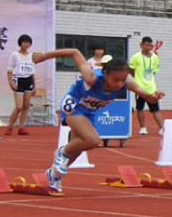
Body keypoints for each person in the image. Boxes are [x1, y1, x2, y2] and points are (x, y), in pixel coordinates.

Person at [30, 49, 164, 194]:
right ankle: (61, 153)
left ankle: (53, 176)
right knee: (92, 140)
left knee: (77, 149)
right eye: (115, 80)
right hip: (74, 106)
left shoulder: (127, 83)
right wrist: (45, 55)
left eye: (123, 80)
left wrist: (153, 97)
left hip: (89, 113)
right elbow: (75, 52)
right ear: (106, 74)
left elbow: (147, 95)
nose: (119, 84)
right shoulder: (91, 77)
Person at [129, 36, 164, 135]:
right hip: (139, 88)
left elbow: (154, 72)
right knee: (140, 108)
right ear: (141, 45)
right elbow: (131, 69)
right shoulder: (136, 56)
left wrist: (149, 81)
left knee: (155, 109)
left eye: (150, 46)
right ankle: (143, 127)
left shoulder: (154, 57)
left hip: (151, 88)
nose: (149, 47)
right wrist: (137, 79)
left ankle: (162, 127)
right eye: (147, 45)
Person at [5, 34, 36, 135]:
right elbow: (9, 70)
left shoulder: (32, 56)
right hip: (19, 80)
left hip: (29, 80)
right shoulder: (15, 55)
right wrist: (10, 82)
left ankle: (21, 127)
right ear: (20, 43)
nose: (26, 44)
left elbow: (33, 72)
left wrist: (34, 86)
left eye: (28, 42)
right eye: (24, 42)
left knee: (26, 106)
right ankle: (10, 127)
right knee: (19, 106)